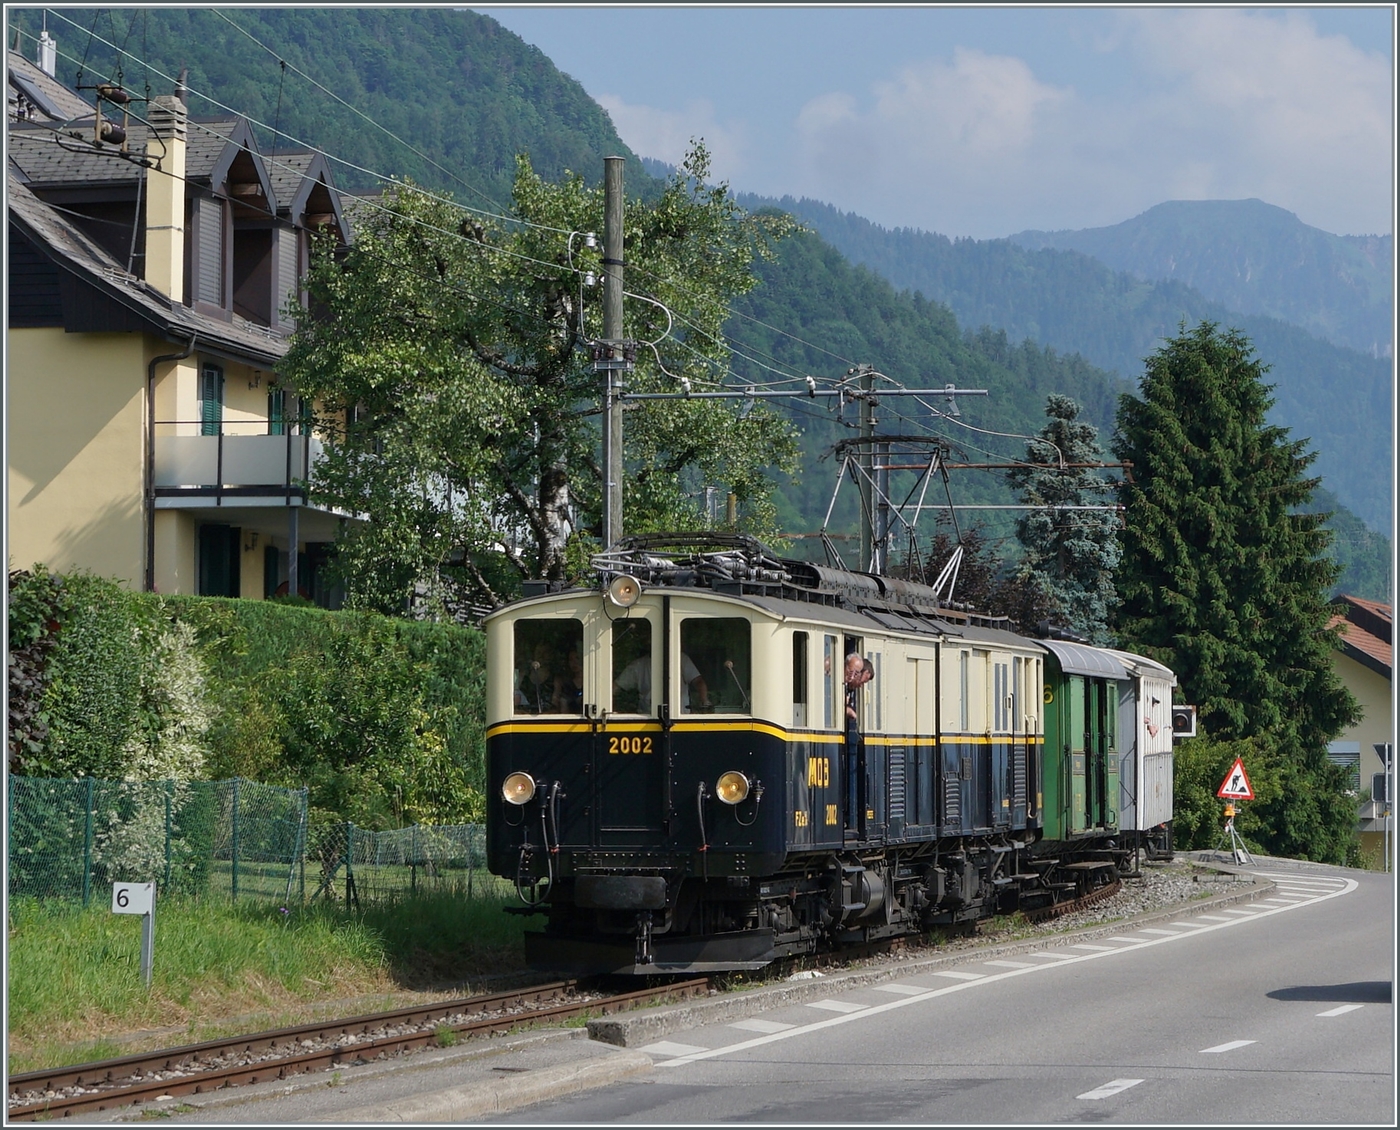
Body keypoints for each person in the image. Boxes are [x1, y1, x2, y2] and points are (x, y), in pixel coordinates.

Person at [614, 652, 710, 714]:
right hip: (646, 718)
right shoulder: (638, 665)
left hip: (680, 717)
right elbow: (616, 686)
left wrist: (704, 702)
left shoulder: (681, 659)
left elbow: (698, 681)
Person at [844, 652, 873, 833]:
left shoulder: (851, 689)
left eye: (857, 674)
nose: (854, 678)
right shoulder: (843, 686)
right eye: (852, 673)